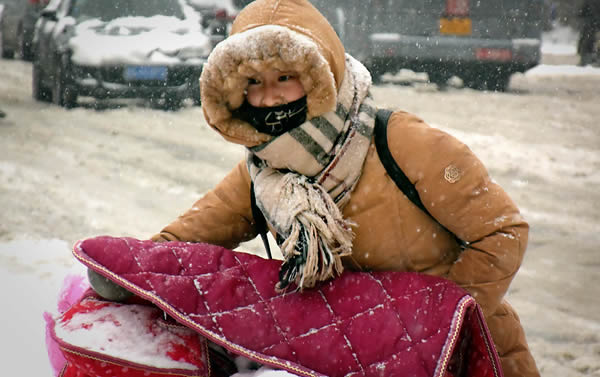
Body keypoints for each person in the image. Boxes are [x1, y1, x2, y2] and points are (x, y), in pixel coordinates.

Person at [137, 0, 540, 375]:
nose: (270, 95)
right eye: (254, 83)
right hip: (358, 360)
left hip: (465, 356)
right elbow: (181, 242)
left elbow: (500, 231)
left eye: (284, 77)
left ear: (318, 75)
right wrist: (130, 275)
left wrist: (439, 319)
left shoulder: (397, 140)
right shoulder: (265, 173)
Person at [577, 0, 600, 65]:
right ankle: (591, 58)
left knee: (587, 41)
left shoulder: (588, 1)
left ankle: (585, 59)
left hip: (590, 24)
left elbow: (581, 13)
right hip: (592, 24)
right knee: (589, 41)